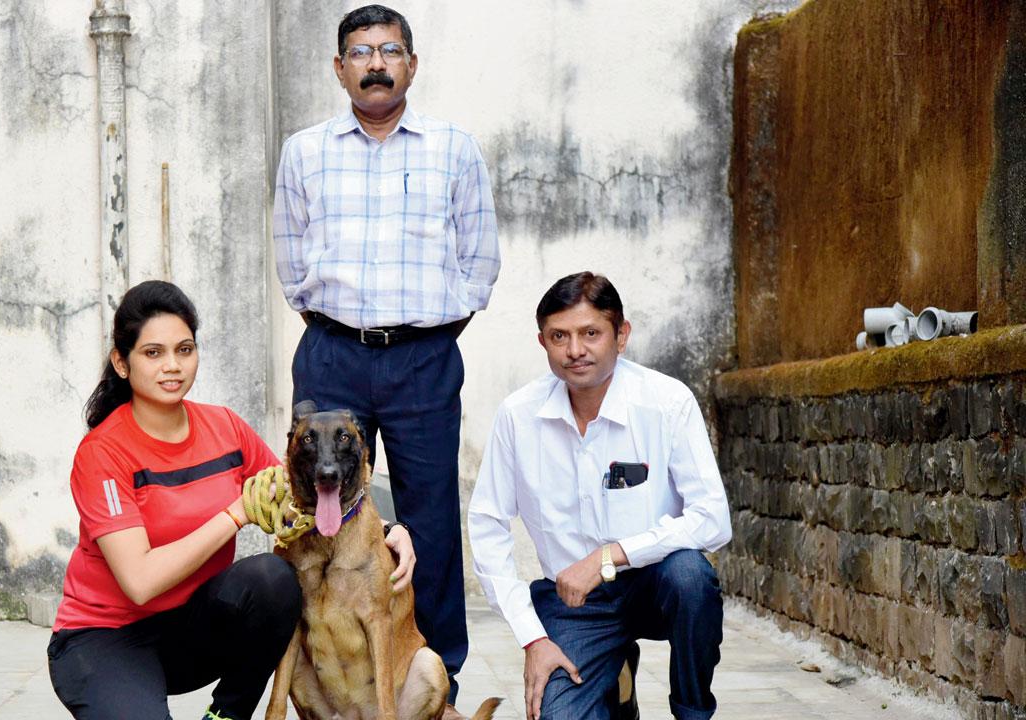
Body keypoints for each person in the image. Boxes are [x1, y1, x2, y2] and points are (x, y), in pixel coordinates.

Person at [47, 281, 415, 720]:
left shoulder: (224, 428)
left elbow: (301, 492)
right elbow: (140, 582)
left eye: (184, 350)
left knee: (273, 580)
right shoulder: (103, 452)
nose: (172, 366)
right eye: (153, 353)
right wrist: (234, 514)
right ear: (121, 364)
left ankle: (226, 715)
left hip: (191, 629)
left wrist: (391, 531)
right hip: (104, 638)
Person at [271, 5, 500, 707]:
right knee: (316, 506)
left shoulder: (454, 149)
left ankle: (435, 681)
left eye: (390, 50)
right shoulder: (305, 151)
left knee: (428, 517)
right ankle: (321, 675)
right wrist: (342, 325)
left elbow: (479, 262)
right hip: (333, 352)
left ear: (411, 64)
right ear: (340, 68)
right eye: (361, 52)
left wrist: (421, 333)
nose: (376, 63)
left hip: (423, 359)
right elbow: (290, 262)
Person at [467, 272, 733, 720]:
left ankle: (692, 713)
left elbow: (712, 519)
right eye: (559, 336)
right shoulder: (519, 415)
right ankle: (617, 685)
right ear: (542, 341)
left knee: (691, 577)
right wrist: (534, 639)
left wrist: (609, 556)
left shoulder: (667, 402)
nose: (575, 350)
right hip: (574, 603)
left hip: (655, 584)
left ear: (621, 335)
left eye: (591, 333)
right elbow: (487, 525)